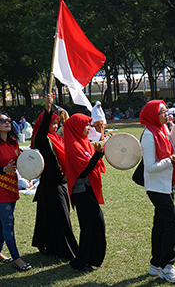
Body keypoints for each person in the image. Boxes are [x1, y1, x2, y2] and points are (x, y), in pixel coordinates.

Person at [139, 100, 175, 283]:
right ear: (153, 115)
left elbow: (171, 152)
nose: (167, 115)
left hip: (168, 184)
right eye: (163, 112)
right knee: (174, 223)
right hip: (157, 188)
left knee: (161, 224)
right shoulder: (149, 134)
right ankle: (167, 265)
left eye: (166, 111)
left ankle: (155, 265)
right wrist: (171, 159)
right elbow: (150, 167)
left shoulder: (164, 129)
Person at [30, 94, 78, 259]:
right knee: (60, 218)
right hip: (51, 185)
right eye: (53, 123)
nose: (56, 126)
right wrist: (48, 109)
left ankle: (48, 245)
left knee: (50, 217)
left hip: (62, 183)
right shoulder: (41, 139)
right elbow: (43, 128)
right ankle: (68, 251)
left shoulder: (59, 138)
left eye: (57, 123)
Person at [64, 113, 106, 271]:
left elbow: (93, 162)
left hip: (88, 190)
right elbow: (82, 171)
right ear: (76, 127)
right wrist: (98, 154)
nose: (89, 128)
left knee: (96, 225)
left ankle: (90, 259)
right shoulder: (74, 146)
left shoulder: (84, 142)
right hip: (81, 192)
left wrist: (100, 150)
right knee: (89, 227)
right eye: (86, 125)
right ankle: (81, 262)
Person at [0, 113, 31, 271]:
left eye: (9, 120)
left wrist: (31, 170)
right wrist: (3, 169)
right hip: (0, 191)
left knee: (1, 225)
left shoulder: (13, 142)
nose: (7, 122)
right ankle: (17, 259)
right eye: (2, 120)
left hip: (11, 188)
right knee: (8, 225)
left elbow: (20, 161)